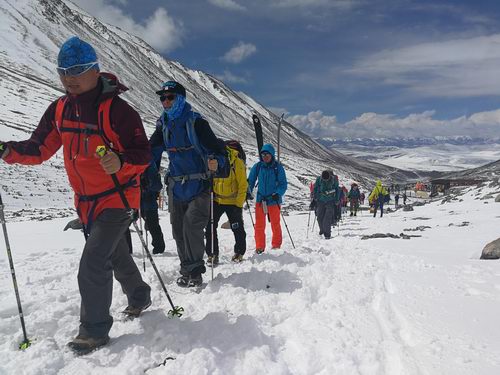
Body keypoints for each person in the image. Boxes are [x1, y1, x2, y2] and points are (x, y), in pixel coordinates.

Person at [0, 37, 152, 355]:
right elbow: (40, 147)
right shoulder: (60, 109)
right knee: (113, 254)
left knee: (94, 260)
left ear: (96, 70)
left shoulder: (119, 112)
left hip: (119, 197)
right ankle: (139, 295)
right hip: (86, 202)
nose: (70, 77)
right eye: (63, 71)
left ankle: (94, 331)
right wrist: (9, 151)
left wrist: (121, 161)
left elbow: (143, 154)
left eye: (78, 70)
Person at [149, 80, 226, 287]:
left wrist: (216, 162)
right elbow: (152, 152)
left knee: (191, 225)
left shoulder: (196, 123)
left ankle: (196, 271)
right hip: (176, 187)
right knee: (178, 229)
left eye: (170, 97)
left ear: (180, 99)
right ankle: (187, 269)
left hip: (199, 185)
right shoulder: (163, 125)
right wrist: (146, 173)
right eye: (162, 98)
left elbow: (219, 152)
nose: (165, 102)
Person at [205, 141, 248, 264]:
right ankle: (212, 254)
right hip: (217, 200)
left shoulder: (236, 162)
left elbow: (243, 185)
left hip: (233, 202)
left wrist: (238, 205)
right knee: (210, 227)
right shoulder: (213, 160)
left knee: (237, 227)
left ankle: (239, 252)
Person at [247, 144, 287, 253]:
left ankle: (276, 245)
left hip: (273, 200)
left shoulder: (277, 167)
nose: (265, 156)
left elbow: (283, 184)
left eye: (267, 154)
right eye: (263, 154)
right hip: (261, 200)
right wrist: (248, 191)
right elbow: (250, 181)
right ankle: (260, 247)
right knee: (259, 225)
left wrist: (278, 193)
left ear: (272, 155)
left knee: (275, 224)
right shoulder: (258, 166)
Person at [140, 161, 165, 254]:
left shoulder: (149, 163)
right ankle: (125, 250)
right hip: (136, 199)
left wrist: (146, 184)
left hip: (148, 199)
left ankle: (159, 247)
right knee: (124, 223)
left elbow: (157, 185)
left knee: (152, 224)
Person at [311, 170, 338, 239]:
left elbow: (336, 189)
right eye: (324, 179)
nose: (325, 180)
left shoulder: (334, 180)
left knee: (327, 218)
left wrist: (336, 199)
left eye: (327, 179)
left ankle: (327, 234)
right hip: (320, 200)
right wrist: (314, 197)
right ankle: (322, 230)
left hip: (330, 200)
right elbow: (315, 188)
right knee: (319, 217)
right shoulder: (318, 179)